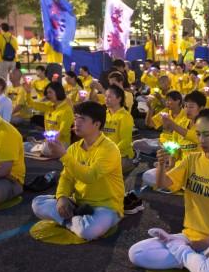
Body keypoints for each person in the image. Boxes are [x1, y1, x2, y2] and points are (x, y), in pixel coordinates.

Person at [128, 108, 209, 272]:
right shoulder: (192, 159)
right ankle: (187, 255)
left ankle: (179, 250)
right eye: (198, 134)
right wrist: (161, 165)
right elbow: (162, 184)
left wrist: (207, 242)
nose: (201, 140)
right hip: (190, 237)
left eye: (207, 134)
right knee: (136, 253)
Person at [32, 101, 124, 240]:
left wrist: (63, 156)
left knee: (88, 232)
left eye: (82, 119)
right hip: (78, 203)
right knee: (37, 203)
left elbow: (90, 176)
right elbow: (67, 177)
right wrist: (62, 197)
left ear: (97, 124)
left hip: (105, 206)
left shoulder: (109, 149)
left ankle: (69, 220)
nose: (76, 122)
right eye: (76, 118)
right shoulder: (74, 148)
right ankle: (75, 219)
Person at [24, 81, 75, 147]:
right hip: (48, 142)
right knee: (24, 145)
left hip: (61, 144)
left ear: (58, 92)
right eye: (47, 93)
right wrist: (28, 92)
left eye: (50, 92)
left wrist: (44, 144)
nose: (48, 95)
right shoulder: (49, 106)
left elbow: (63, 132)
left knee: (27, 147)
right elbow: (31, 104)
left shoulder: (66, 110)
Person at [103, 85, 135, 175]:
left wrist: (109, 152)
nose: (106, 99)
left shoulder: (125, 117)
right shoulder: (104, 114)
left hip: (121, 156)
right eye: (105, 96)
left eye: (109, 97)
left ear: (119, 99)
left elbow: (126, 141)